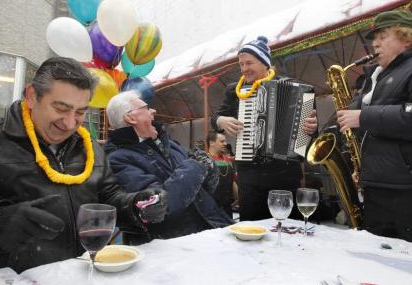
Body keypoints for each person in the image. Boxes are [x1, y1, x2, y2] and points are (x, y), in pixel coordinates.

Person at [0, 57, 168, 273]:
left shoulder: (89, 147)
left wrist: (134, 206)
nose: (70, 122)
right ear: (32, 96)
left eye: (80, 112)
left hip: (79, 274)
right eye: (61, 108)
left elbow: (108, 197)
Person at [336, 10, 412, 248]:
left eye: (383, 36)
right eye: (374, 38)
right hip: (378, 191)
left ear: (407, 38)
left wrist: (364, 117)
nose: (375, 43)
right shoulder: (373, 78)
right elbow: (355, 124)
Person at [211, 36, 318, 221]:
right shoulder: (234, 91)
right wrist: (221, 120)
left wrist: (311, 129)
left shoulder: (295, 88)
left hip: (284, 176)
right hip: (249, 176)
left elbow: (311, 134)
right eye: (241, 64)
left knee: (287, 228)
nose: (244, 69)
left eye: (249, 63)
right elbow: (215, 119)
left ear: (264, 63)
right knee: (251, 228)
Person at [105, 90, 232, 245]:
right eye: (146, 107)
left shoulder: (169, 143)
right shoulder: (118, 160)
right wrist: (197, 165)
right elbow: (163, 206)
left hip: (214, 228)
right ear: (130, 118)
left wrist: (209, 167)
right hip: (179, 246)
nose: (154, 111)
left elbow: (204, 186)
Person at [206, 131, 236, 218]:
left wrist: (241, 199)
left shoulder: (229, 160)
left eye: (225, 141)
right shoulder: (204, 160)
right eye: (222, 141)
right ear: (211, 142)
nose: (225, 144)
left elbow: (233, 181)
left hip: (227, 209)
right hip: (211, 210)